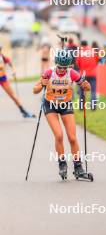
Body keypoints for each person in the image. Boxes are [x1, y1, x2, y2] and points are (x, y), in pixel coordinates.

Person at [33, 50, 91, 178]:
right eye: (59, 67)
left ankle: (78, 167)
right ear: (56, 64)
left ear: (69, 66)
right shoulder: (49, 72)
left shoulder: (72, 73)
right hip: (50, 105)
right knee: (59, 135)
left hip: (65, 105)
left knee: (72, 138)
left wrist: (86, 86)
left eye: (64, 68)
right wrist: (42, 84)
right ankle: (62, 164)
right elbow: (35, 90)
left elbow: (87, 87)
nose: (61, 70)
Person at [0, 45, 35, 118]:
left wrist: (14, 71)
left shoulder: (2, 57)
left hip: (3, 78)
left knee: (13, 95)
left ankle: (24, 111)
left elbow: (10, 63)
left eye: (0, 49)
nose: (0, 51)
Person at [76, 40, 99, 110]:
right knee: (93, 91)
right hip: (93, 74)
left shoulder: (80, 53)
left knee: (82, 91)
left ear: (81, 45)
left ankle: (81, 106)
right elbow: (97, 60)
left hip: (83, 74)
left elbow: (78, 64)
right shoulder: (93, 51)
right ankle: (93, 107)